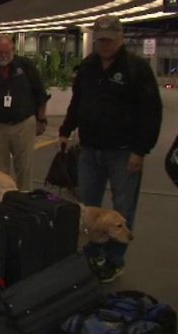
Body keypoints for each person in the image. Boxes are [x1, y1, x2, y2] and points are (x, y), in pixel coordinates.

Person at [59, 15, 162, 283]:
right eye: (100, 40)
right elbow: (77, 102)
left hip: (124, 152)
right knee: (89, 208)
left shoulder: (136, 68)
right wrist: (65, 130)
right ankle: (94, 252)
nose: (104, 44)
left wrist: (141, 150)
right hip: (90, 150)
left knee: (122, 210)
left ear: (121, 38)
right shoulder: (88, 67)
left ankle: (115, 260)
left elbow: (151, 113)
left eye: (109, 40)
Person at [0, 34, 49, 191]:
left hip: (24, 124)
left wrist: (41, 119)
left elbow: (41, 94)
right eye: (0, 52)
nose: (4, 56)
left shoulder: (26, 66)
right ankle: (3, 206)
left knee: (24, 169)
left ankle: (23, 203)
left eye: (7, 52)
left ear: (13, 49)